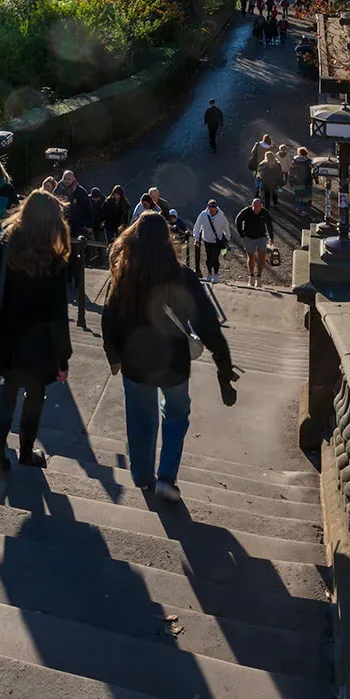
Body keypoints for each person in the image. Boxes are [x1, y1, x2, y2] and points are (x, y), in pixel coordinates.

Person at [102, 212, 236, 501]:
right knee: (175, 416)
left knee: (140, 420)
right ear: (167, 240)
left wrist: (113, 354)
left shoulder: (124, 277)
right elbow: (208, 325)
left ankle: (142, 477)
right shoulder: (182, 277)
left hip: (135, 362)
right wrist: (223, 364)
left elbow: (109, 317)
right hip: (173, 362)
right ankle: (167, 476)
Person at [0, 191, 72, 475]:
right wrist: (63, 358)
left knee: (8, 388)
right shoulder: (54, 259)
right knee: (35, 395)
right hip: (39, 342)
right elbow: (58, 314)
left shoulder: (2, 243)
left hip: (5, 333)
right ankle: (27, 453)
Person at [55, 169, 94, 286]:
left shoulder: (80, 192)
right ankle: (65, 278)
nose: (66, 181)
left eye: (68, 179)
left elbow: (88, 209)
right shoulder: (57, 190)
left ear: (73, 179)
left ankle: (77, 279)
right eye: (65, 178)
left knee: (75, 254)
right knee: (62, 253)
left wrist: (89, 225)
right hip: (61, 226)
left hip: (77, 227)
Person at [235, 196, 275, 288]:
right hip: (248, 237)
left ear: (261, 206)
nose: (256, 208)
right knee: (251, 256)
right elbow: (238, 220)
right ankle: (251, 276)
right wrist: (242, 234)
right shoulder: (247, 211)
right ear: (252, 205)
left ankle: (259, 277)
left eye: (258, 206)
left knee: (262, 257)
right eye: (254, 206)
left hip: (261, 237)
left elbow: (269, 224)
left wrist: (271, 237)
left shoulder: (264, 213)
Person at [192, 198, 231, 282]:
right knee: (208, 258)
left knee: (215, 258)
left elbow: (226, 227)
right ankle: (209, 273)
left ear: (216, 208)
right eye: (210, 208)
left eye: (214, 208)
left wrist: (228, 237)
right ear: (208, 207)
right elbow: (197, 226)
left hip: (218, 241)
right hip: (207, 240)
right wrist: (196, 238)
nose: (212, 210)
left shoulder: (221, 216)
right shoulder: (203, 215)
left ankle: (216, 274)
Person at [289, 146, 314, 218]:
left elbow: (292, 171)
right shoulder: (309, 161)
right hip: (307, 180)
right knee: (305, 194)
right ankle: (305, 207)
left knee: (298, 194)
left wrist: (291, 180)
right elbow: (313, 171)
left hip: (298, 181)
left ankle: (299, 208)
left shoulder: (295, 161)